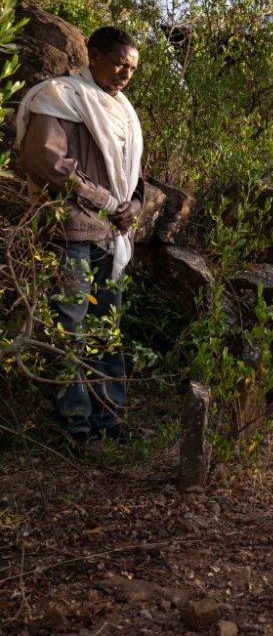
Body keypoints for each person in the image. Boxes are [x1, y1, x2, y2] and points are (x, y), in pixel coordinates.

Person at [16, 26, 145, 455]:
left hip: (111, 235)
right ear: (92, 54)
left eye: (132, 66)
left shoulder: (123, 111)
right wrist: (105, 199)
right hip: (69, 230)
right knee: (69, 328)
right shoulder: (60, 96)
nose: (125, 73)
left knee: (107, 329)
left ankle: (108, 419)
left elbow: (133, 178)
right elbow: (45, 159)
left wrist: (134, 206)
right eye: (118, 62)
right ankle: (76, 427)